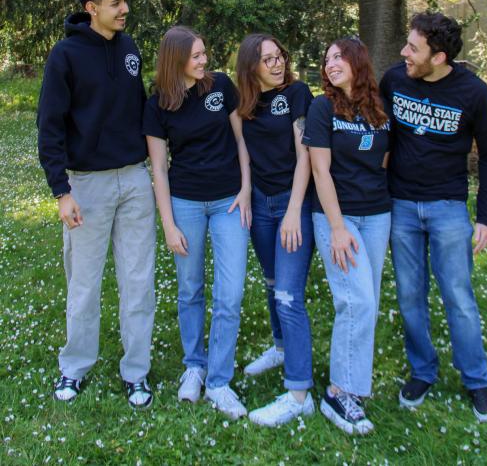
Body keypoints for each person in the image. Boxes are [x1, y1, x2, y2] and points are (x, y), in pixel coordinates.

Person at [37, 0, 155, 408]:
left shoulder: (129, 49)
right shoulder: (65, 56)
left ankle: (136, 372)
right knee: (84, 284)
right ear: (92, 9)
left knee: (139, 281)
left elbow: (143, 110)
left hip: (136, 180)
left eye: (125, 0)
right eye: (115, 2)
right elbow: (49, 127)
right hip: (87, 185)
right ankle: (74, 367)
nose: (124, 9)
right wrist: (61, 191)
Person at [380, 12, 487, 422]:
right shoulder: (395, 81)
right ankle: (423, 371)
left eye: (413, 48)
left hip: (448, 207)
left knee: (459, 298)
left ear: (440, 56)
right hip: (400, 205)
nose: (404, 53)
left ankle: (476, 379)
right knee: (410, 296)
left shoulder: (474, 93)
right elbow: (380, 135)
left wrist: (486, 216)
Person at [143, 26, 251, 420]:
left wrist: (245, 190)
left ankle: (219, 381)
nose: (204, 62)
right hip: (185, 203)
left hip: (228, 202)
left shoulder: (221, 87)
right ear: (176, 61)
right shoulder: (158, 103)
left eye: (205, 53)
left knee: (231, 291)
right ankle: (195, 366)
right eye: (196, 57)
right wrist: (168, 224)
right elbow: (158, 167)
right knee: (190, 289)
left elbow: (241, 140)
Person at [303, 36, 391, 435]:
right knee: (355, 299)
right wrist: (337, 228)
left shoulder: (378, 107)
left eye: (338, 56)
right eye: (327, 59)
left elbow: (385, 159)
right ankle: (339, 392)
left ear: (358, 60)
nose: (330, 64)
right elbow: (320, 171)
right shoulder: (322, 108)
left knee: (367, 301)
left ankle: (355, 384)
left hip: (378, 214)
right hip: (338, 216)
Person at [236, 33, 315, 427]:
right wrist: (247, 193)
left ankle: (299, 393)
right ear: (251, 66)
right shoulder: (245, 104)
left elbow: (306, 156)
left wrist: (294, 210)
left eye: (279, 56)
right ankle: (281, 347)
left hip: (291, 203)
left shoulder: (298, 94)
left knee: (288, 294)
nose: (277, 63)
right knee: (271, 283)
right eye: (267, 59)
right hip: (261, 206)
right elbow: (243, 153)